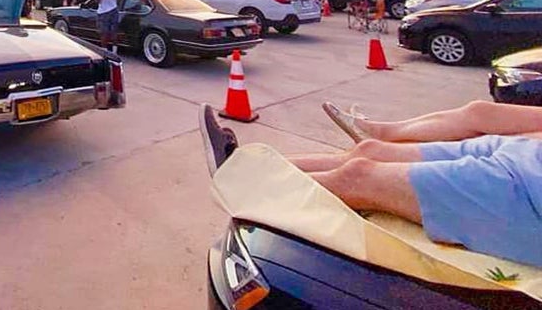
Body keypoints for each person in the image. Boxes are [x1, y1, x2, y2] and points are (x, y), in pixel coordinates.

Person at [199, 101, 542, 268]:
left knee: (361, 178)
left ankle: (242, 184)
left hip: (530, 190)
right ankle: (237, 166)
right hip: (529, 151)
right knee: (369, 152)